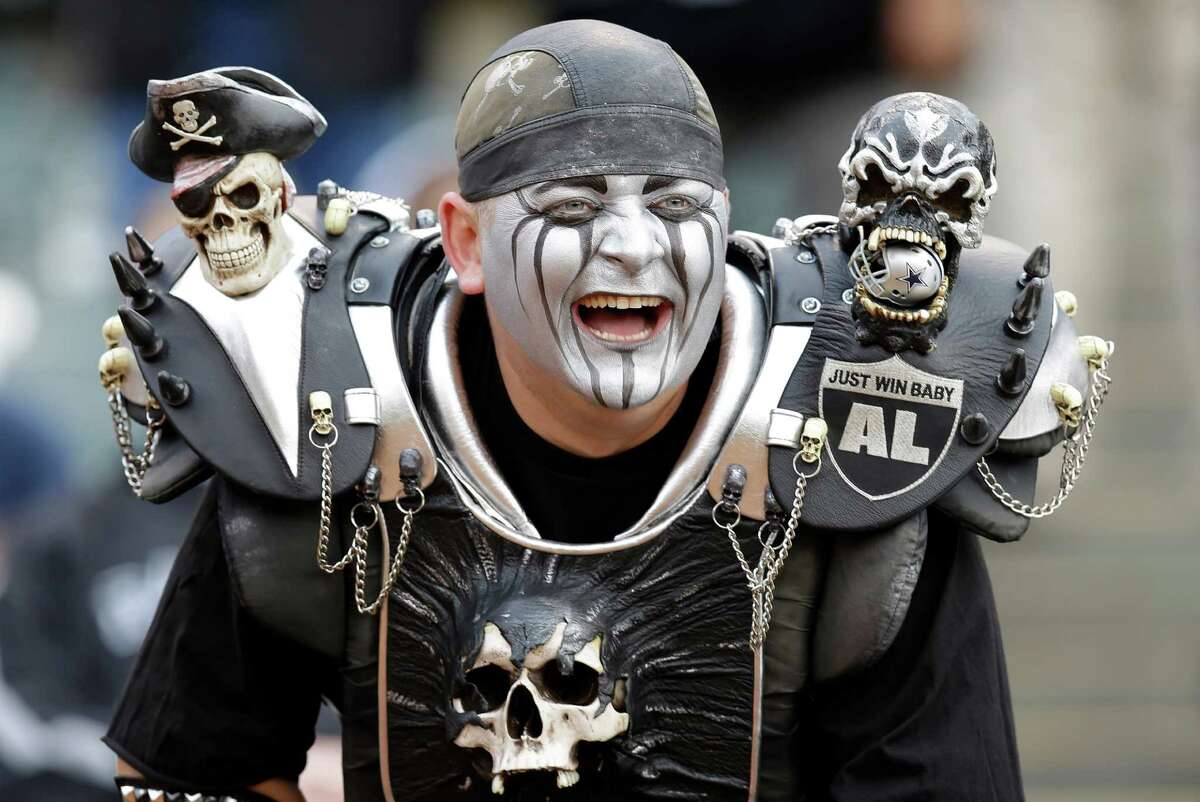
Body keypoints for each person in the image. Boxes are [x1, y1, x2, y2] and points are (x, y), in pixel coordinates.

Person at [96, 20, 1113, 802]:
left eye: (674, 205)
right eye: (575, 207)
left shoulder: (859, 445)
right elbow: (188, 772)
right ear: (463, 242)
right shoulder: (324, 427)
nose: (632, 245)